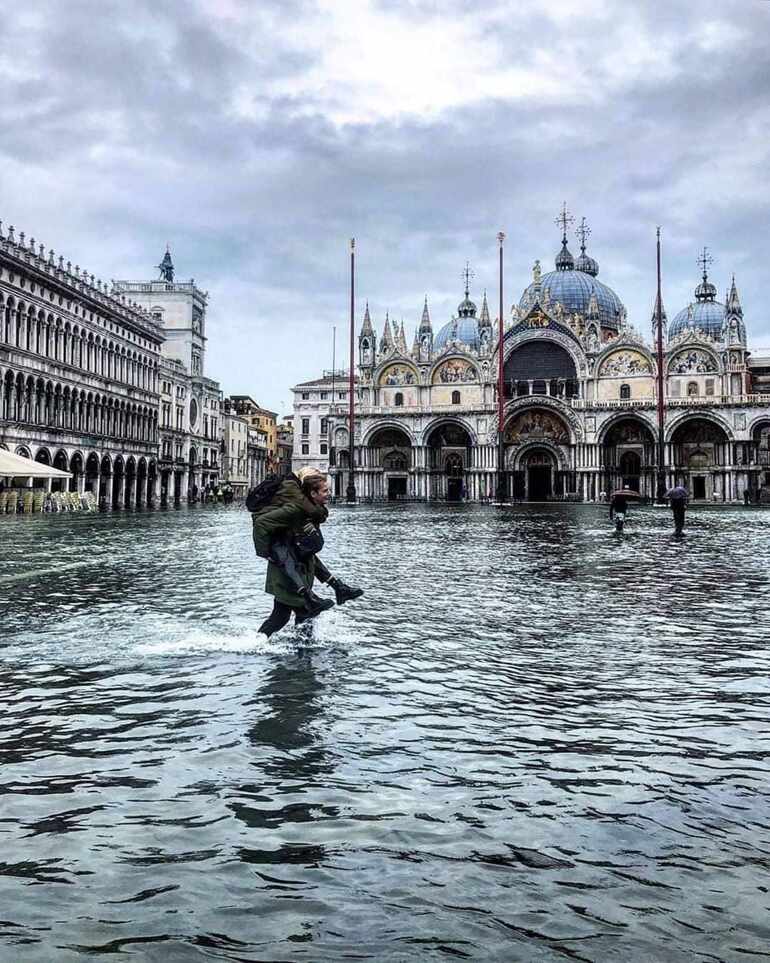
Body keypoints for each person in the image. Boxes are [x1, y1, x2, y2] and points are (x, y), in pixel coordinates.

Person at [252, 468, 363, 637]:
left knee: (284, 615)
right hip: (287, 571)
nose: (329, 494)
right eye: (325, 491)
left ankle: (265, 644)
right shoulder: (295, 509)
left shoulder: (309, 510)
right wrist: (265, 553)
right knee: (298, 613)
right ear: (313, 493)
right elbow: (261, 523)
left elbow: (306, 544)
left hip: (298, 568)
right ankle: (294, 649)